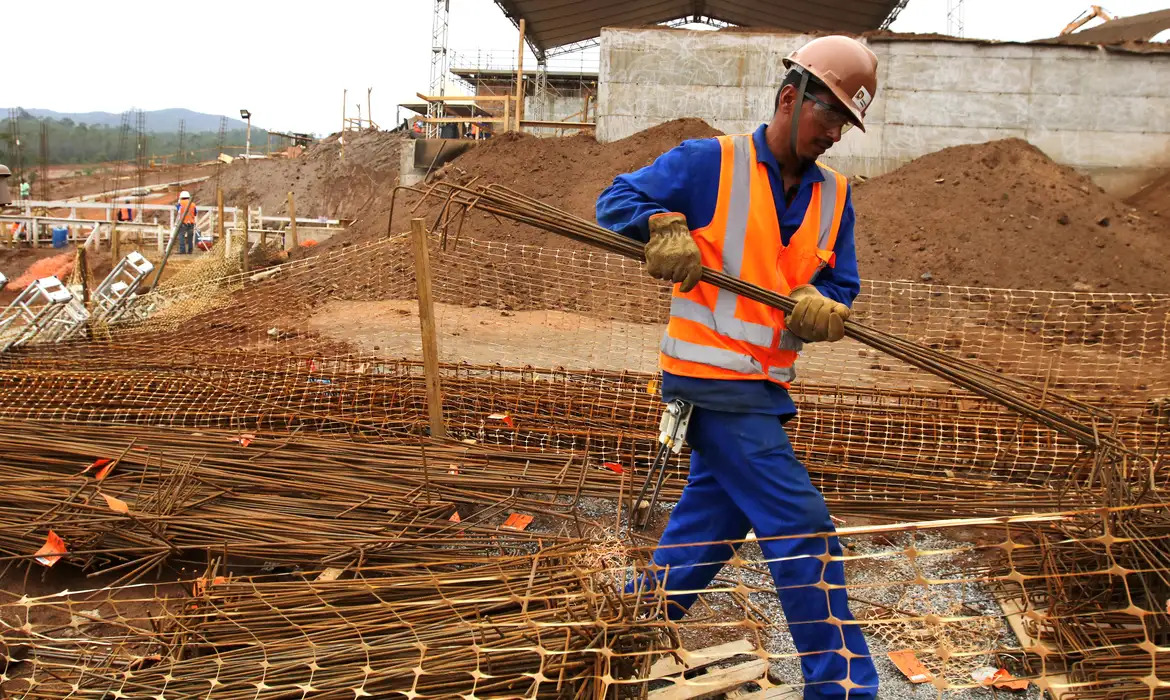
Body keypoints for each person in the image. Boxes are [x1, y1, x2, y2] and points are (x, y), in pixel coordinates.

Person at [596, 36, 880, 698]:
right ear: (790, 96)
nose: (834, 133)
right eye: (828, 115)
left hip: (763, 389)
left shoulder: (835, 199)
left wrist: (823, 306)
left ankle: (621, 632)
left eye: (845, 122)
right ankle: (845, 689)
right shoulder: (707, 164)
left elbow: (841, 286)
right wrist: (661, 224)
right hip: (710, 385)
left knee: (709, 529)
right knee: (802, 524)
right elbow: (614, 201)